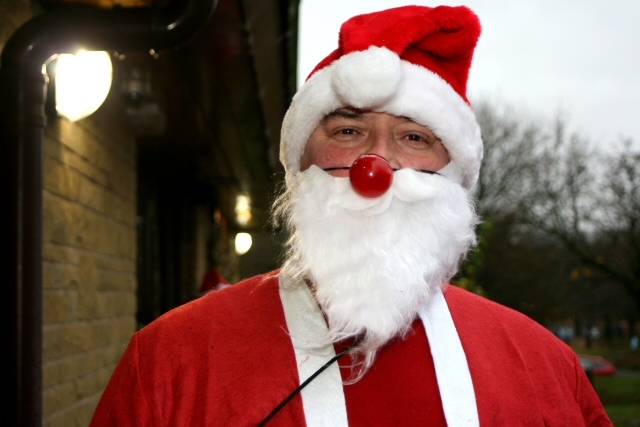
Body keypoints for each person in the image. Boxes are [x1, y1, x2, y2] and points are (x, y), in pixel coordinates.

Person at [90, 5, 612, 426]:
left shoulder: (545, 368)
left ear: (454, 175)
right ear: (300, 165)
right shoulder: (168, 361)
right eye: (347, 131)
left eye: (414, 137)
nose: (376, 165)